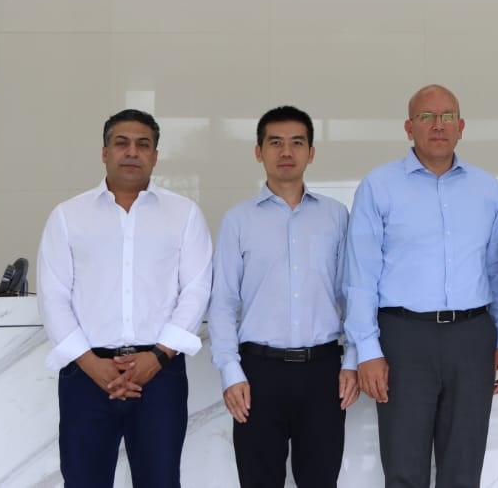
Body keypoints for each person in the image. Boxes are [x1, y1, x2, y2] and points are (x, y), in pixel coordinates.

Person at [343, 84, 498, 488]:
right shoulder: (379, 185)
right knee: (404, 468)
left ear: (461, 127)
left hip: (472, 337)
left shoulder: (486, 188)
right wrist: (367, 350)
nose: (438, 125)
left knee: (464, 469)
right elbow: (360, 276)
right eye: (426, 117)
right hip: (404, 338)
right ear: (409, 127)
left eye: (447, 117)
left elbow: (496, 271)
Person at [36, 109, 213, 488]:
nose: (132, 152)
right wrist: (91, 364)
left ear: (155, 156)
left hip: (160, 373)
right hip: (86, 374)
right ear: (105, 152)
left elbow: (196, 289)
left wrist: (158, 357)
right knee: (83, 481)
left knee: (160, 480)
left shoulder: (184, 214)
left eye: (143, 145)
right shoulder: (68, 216)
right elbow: (53, 296)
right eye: (122, 143)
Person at [208, 106, 360, 488]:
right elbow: (223, 302)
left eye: (297, 142)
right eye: (275, 142)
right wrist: (230, 371)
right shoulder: (238, 220)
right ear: (258, 152)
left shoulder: (336, 216)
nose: (286, 151)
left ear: (311, 152)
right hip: (258, 374)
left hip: (323, 371)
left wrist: (353, 360)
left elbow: (352, 294)